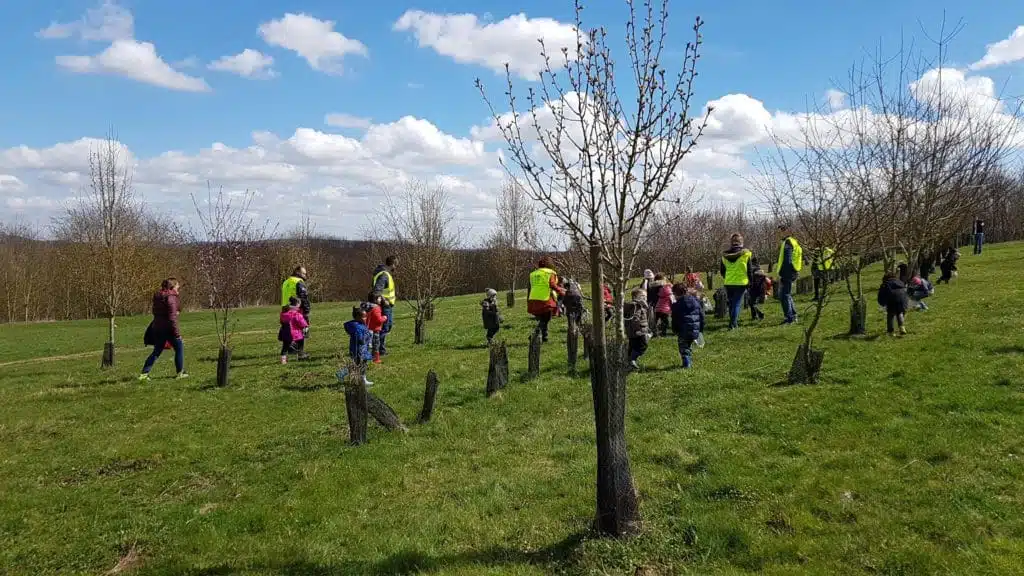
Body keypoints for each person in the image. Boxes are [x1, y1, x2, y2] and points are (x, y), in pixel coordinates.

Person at [140, 278, 188, 380]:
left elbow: (157, 312)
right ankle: (180, 373)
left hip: (157, 327)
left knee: (157, 351)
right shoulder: (171, 297)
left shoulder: (158, 296)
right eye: (177, 285)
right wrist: (177, 334)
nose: (178, 287)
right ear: (173, 286)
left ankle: (144, 374)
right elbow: (172, 317)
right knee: (179, 347)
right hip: (168, 328)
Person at [720, 233, 756, 330]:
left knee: (732, 303)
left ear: (731, 243)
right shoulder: (746, 254)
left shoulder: (724, 256)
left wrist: (727, 277)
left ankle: (733, 322)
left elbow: (722, 271)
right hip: (741, 283)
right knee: (736, 304)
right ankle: (732, 324)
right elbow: (749, 270)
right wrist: (751, 282)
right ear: (741, 242)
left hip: (728, 282)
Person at [527, 256, 564, 342]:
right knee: (546, 318)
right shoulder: (550, 273)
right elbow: (552, 284)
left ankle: (544, 336)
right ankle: (536, 333)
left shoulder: (533, 274)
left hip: (533, 298)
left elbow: (530, 287)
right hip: (544, 299)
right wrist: (561, 292)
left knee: (543, 318)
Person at [671, 283, 705, 368]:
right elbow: (701, 315)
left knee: (683, 346)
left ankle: (686, 361)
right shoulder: (695, 301)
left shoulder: (676, 305)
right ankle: (688, 358)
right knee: (688, 344)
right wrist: (701, 327)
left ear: (676, 294)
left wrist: (674, 329)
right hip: (694, 329)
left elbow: (674, 318)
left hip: (683, 330)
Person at [774, 224, 803, 324]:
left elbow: (787, 259)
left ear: (788, 231)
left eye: (783, 230)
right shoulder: (794, 242)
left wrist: (783, 274)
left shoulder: (788, 242)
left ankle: (789, 318)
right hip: (793, 271)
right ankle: (793, 315)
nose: (780, 232)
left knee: (783, 296)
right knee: (787, 295)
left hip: (788, 273)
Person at [281, 266, 311, 360]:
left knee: (288, 332)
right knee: (301, 331)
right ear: (297, 272)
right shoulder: (298, 282)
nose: (305, 275)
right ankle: (300, 353)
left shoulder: (286, 282)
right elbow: (303, 297)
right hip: (297, 310)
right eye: (304, 273)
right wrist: (306, 311)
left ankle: (285, 354)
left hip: (285, 310)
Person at [372, 256, 398, 356]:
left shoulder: (383, 272)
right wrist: (383, 300)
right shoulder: (384, 274)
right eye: (396, 264)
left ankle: (379, 349)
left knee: (386, 327)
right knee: (384, 327)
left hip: (387, 305)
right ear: (393, 264)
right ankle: (379, 350)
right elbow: (377, 290)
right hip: (385, 306)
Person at [342, 306, 374, 387]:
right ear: (357, 317)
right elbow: (361, 340)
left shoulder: (359, 325)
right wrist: (368, 335)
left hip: (361, 350)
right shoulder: (357, 327)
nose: (365, 318)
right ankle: (343, 375)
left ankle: (361, 379)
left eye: (366, 316)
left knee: (358, 365)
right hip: (359, 351)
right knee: (359, 365)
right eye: (363, 317)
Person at [625, 287, 651, 370]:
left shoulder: (636, 306)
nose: (645, 298)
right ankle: (632, 360)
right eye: (643, 296)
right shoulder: (637, 306)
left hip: (631, 331)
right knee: (643, 345)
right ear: (635, 298)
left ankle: (628, 362)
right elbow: (635, 319)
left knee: (633, 346)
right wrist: (638, 330)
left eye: (645, 296)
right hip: (638, 331)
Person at [877, 270, 909, 336]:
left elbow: (881, 295)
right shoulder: (900, 282)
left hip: (892, 300)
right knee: (899, 313)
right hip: (903, 300)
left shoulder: (885, 284)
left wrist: (882, 303)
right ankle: (902, 328)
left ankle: (890, 331)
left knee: (890, 315)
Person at [278, 296, 308, 364]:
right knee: (301, 340)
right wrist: (305, 328)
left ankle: (283, 359)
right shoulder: (297, 314)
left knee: (285, 346)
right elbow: (303, 323)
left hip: (285, 333)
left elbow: (281, 321)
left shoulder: (283, 313)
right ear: (297, 304)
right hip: (295, 334)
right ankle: (300, 354)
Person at [362, 292, 387, 364]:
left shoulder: (365, 306)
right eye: (379, 298)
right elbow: (378, 320)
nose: (381, 299)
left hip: (366, 328)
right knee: (376, 344)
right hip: (375, 329)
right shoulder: (376, 308)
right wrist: (384, 318)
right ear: (375, 299)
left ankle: (366, 357)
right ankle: (376, 359)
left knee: (367, 344)